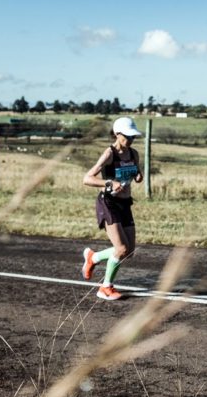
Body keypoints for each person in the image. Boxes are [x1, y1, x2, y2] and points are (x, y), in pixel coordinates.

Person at [81, 116, 143, 300]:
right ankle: (105, 287)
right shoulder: (109, 154)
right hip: (108, 203)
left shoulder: (134, 154)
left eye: (133, 136)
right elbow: (87, 178)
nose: (131, 139)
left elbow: (136, 172)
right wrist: (109, 183)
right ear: (117, 134)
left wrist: (138, 176)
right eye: (128, 136)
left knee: (128, 251)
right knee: (121, 248)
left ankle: (93, 258)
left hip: (125, 203)